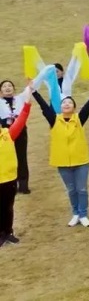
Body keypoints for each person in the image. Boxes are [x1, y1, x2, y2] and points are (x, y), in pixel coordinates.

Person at [31, 81, 89, 227]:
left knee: (81, 189)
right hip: (62, 161)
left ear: (74, 107)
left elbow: (88, 107)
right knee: (71, 190)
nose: (67, 104)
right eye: (64, 103)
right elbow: (44, 107)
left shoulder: (79, 119)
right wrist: (34, 92)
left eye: (70, 102)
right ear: (60, 107)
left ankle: (83, 214)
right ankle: (75, 213)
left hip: (80, 160)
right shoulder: (54, 119)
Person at [0, 84, 31, 246]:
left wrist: (27, 103)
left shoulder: (8, 133)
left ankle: (9, 232)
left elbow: (22, 117)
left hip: (10, 178)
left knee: (8, 207)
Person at [0, 81, 32, 194]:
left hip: (20, 130)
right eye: (4, 86)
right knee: (7, 158)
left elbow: (29, 90)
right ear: (0, 91)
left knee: (21, 156)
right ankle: (10, 184)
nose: (7, 88)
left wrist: (30, 84)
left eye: (10, 86)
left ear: (14, 89)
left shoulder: (19, 99)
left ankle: (23, 185)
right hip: (5, 132)